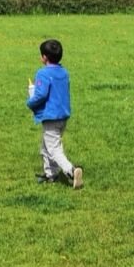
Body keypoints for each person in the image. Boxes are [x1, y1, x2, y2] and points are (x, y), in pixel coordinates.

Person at [26, 38, 83, 189]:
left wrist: (30, 101)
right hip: (63, 115)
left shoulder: (43, 73)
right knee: (46, 146)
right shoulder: (64, 72)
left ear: (44, 57)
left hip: (51, 116)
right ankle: (51, 174)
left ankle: (71, 171)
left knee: (54, 149)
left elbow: (40, 95)